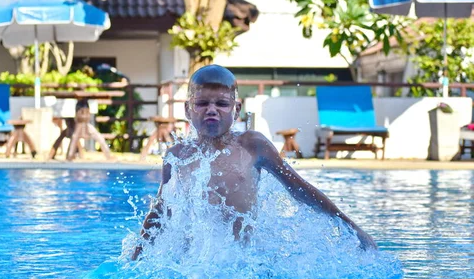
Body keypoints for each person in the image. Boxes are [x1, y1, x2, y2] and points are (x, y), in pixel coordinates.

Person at [131, 65, 376, 260]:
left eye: (222, 104)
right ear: (187, 109)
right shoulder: (177, 155)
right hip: (193, 268)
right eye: (202, 103)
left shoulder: (252, 145)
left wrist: (349, 225)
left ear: (236, 109)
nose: (212, 110)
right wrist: (136, 257)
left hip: (240, 263)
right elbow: (160, 211)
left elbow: (299, 189)